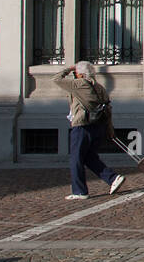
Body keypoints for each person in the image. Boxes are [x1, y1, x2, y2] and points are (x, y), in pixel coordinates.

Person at [53, 61, 125, 200]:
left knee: (76, 159)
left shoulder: (79, 84)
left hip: (82, 125)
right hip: (99, 126)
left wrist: (68, 69)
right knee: (89, 157)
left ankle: (79, 191)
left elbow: (56, 79)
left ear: (80, 74)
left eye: (76, 73)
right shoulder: (99, 87)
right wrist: (110, 129)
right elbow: (108, 109)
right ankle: (112, 178)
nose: (74, 75)